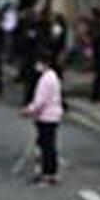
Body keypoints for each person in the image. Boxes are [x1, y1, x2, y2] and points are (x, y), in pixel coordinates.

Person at [21, 50, 64, 186]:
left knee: (46, 146)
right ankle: (51, 173)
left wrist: (28, 110)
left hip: (46, 117)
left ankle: (47, 174)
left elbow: (40, 101)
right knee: (47, 145)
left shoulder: (46, 79)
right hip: (52, 115)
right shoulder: (53, 76)